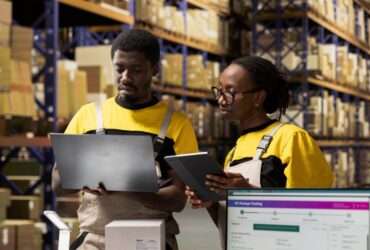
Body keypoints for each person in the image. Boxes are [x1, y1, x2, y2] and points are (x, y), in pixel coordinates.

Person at [52, 29, 198, 250]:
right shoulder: (88, 116)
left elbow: (178, 200)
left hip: (151, 241)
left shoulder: (177, 125)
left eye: (136, 70)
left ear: (155, 69)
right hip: (95, 240)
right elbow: (57, 184)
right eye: (119, 69)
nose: (126, 77)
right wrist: (84, 179)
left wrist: (127, 188)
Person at [185, 56, 333, 249]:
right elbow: (229, 225)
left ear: (258, 97)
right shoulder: (235, 152)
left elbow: (312, 213)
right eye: (219, 91)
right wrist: (210, 199)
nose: (221, 99)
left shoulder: (291, 138)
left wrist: (248, 194)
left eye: (230, 92)